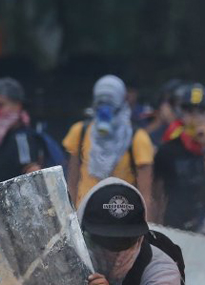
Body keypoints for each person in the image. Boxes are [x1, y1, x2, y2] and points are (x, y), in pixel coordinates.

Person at [64, 75, 155, 205]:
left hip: (122, 217)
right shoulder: (79, 132)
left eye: (111, 101)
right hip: (84, 216)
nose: (105, 108)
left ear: (122, 101)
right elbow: (71, 182)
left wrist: (144, 224)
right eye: (101, 101)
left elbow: (146, 194)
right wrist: (70, 220)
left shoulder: (137, 139)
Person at [152, 83, 205, 230]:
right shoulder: (168, 149)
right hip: (174, 226)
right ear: (182, 114)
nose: (196, 118)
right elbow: (156, 193)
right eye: (190, 111)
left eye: (201, 112)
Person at [0, 77, 47, 188]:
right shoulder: (1, 139)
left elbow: (33, 174)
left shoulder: (22, 137)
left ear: (18, 106)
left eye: (0, 105)